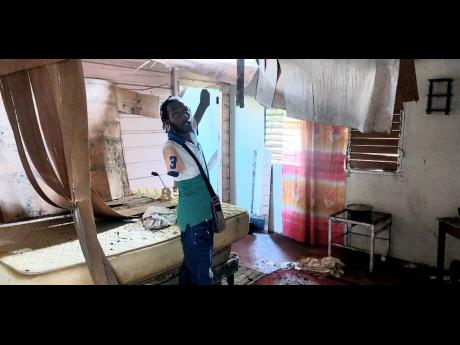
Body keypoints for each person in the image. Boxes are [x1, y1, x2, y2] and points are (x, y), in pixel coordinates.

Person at [161, 89, 215, 285]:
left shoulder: (190, 131)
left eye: (185, 111)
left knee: (191, 269)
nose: (184, 116)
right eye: (176, 113)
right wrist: (172, 164)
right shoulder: (170, 146)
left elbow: (197, 116)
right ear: (167, 121)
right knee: (203, 275)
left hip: (206, 216)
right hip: (194, 222)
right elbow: (172, 168)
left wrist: (203, 103)